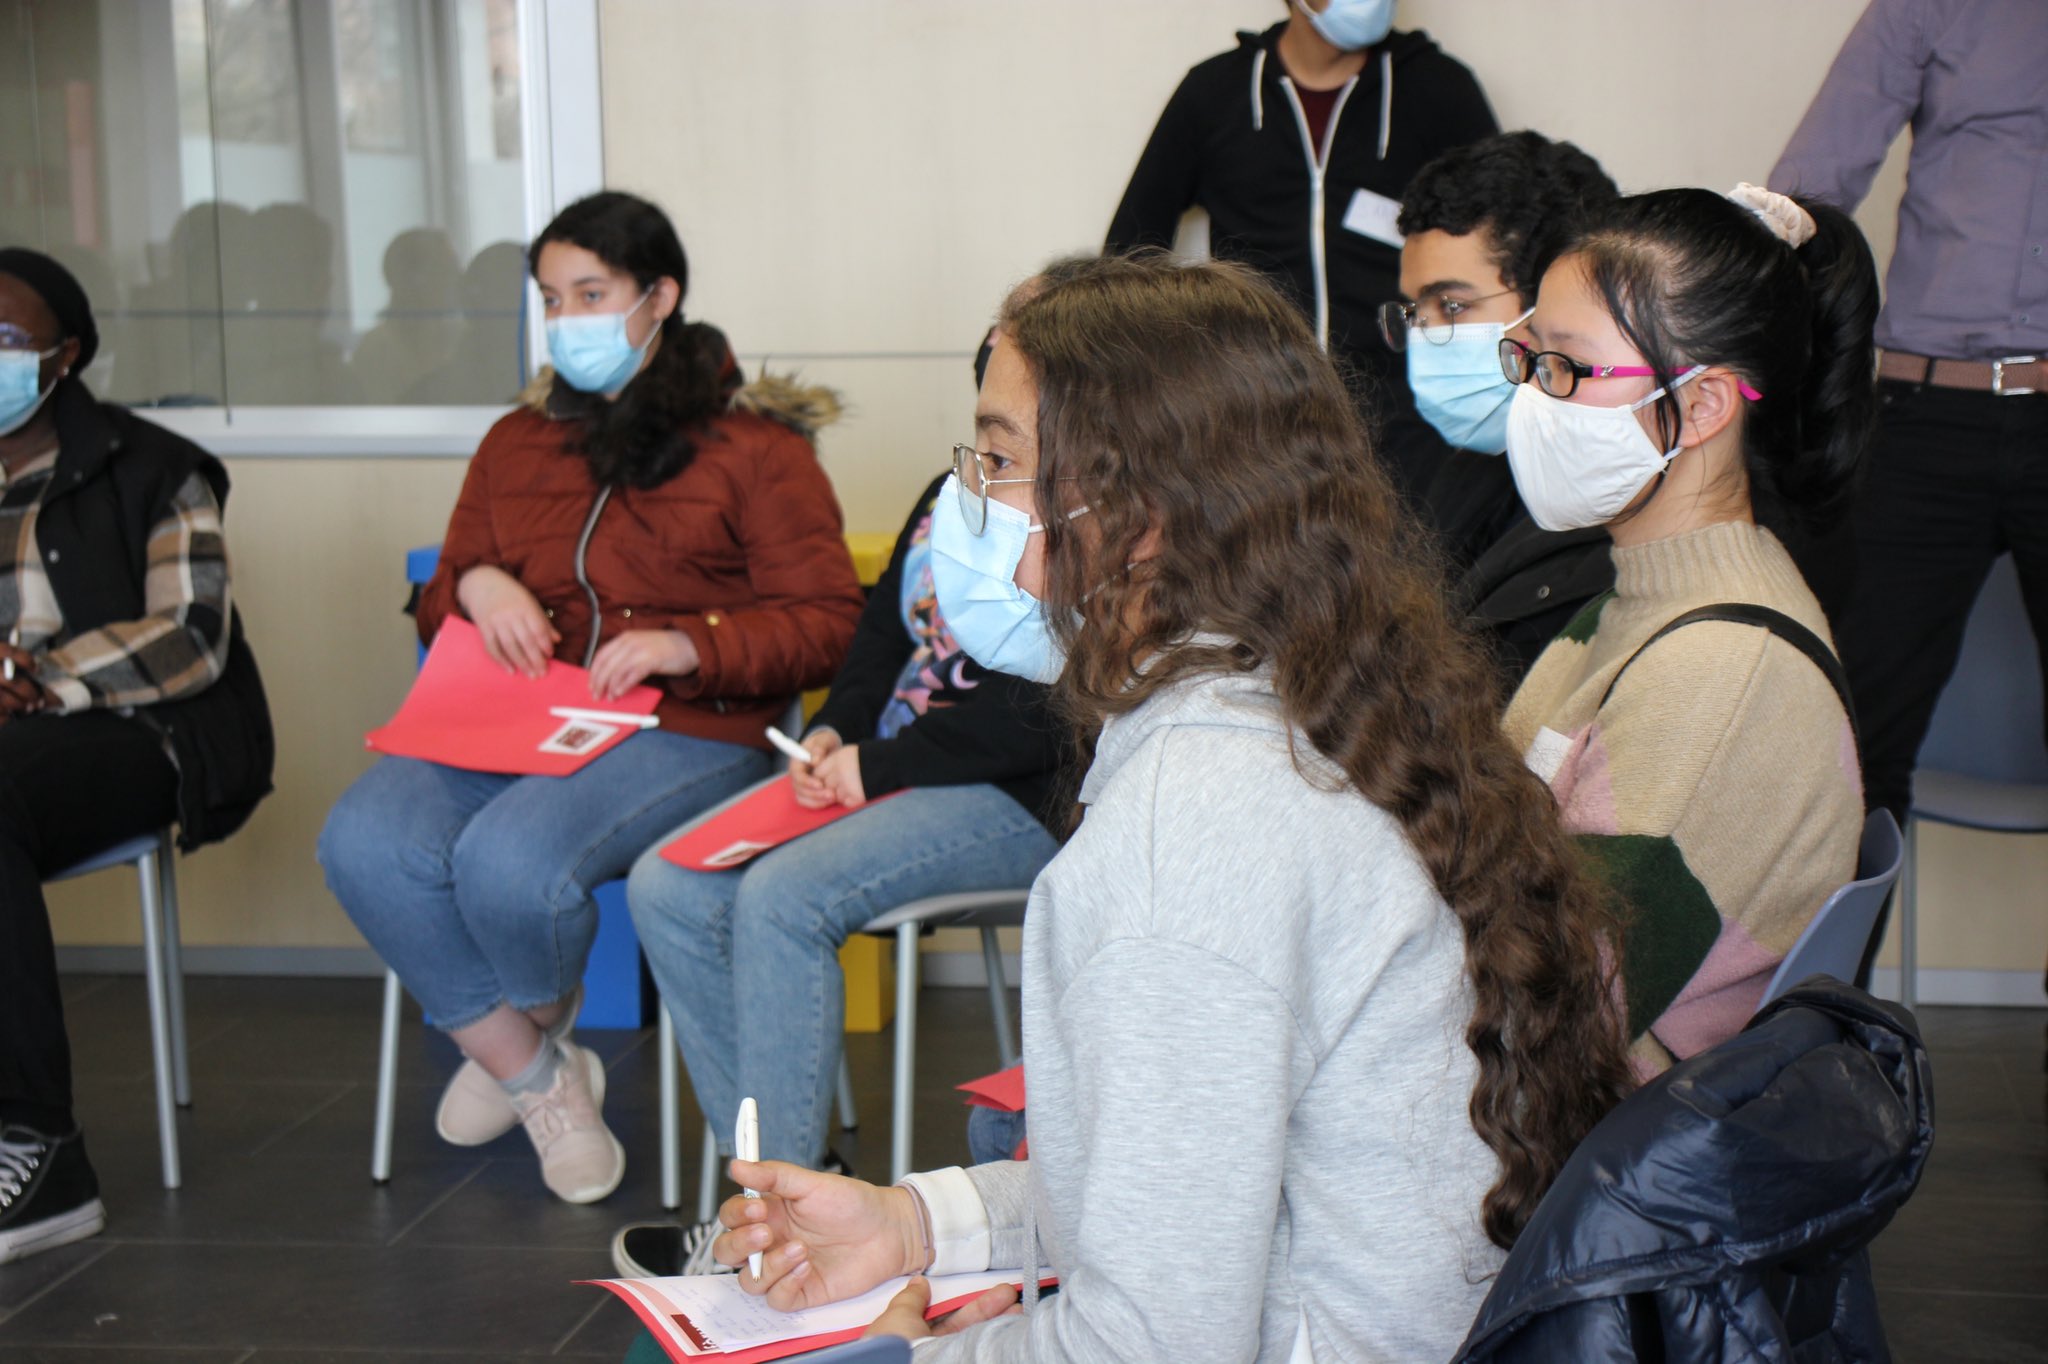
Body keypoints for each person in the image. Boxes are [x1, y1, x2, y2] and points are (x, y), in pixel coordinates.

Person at [700, 254, 1633, 1360]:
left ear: (1136, 515)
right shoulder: (1323, 696)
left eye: (998, 459)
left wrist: (905, 1356)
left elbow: (1150, 1342)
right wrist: (914, 1224)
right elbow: (1187, 1191)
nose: (967, 497)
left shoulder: (1186, 829)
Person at [318, 192, 864, 1205]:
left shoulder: (756, 448)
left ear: (660, 297)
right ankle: (538, 1076)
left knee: (511, 864)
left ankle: (517, 1044)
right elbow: (442, 597)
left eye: (591, 294)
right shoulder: (515, 441)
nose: (566, 320)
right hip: (522, 715)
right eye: (550, 298)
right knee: (362, 840)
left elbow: (831, 620)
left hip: (687, 727)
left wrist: (688, 643)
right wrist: (475, 586)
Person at [611, 449, 1068, 1277]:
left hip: (1013, 790)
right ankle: (787, 1182)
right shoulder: (945, 495)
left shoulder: (1086, 503)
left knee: (784, 898)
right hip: (882, 766)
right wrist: (834, 730)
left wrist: (879, 764)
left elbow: (1046, 708)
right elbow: (880, 639)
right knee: (668, 885)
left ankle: (781, 1232)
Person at [1497, 185, 1876, 1076]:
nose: (1535, 398)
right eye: (1530, 356)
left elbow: (1558, 1015)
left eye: (1567, 368)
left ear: (1704, 406)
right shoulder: (1638, 598)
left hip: (1581, 1121)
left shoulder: (1723, 672)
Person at [0, 247, 273, 1264]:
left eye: (6, 338)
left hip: (126, 728)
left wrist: (39, 676)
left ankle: (40, 1147)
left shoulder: (155, 467)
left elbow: (189, 636)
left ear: (64, 355)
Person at [1767, 0, 2048, 826]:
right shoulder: (1929, 6)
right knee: (1853, 749)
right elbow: (1805, 200)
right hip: (1926, 419)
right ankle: (1838, 923)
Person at [1105, 0, 1497, 501]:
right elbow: (1129, 253)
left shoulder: (1437, 87)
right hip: (1253, 421)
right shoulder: (1216, 92)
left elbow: (1501, 242)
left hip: (1407, 420)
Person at [1387, 130, 1621, 678]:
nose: (1425, 338)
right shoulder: (1467, 465)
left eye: (1452, 306)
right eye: (1416, 312)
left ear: (1557, 300)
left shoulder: (1622, 502)